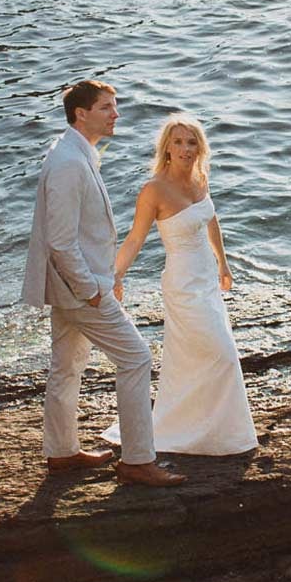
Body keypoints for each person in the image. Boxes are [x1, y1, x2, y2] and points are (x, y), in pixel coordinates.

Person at [22, 79, 184, 488]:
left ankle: (61, 452)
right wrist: (92, 288)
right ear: (81, 113)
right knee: (136, 358)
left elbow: (80, 234)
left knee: (67, 366)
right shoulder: (68, 163)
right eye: (107, 107)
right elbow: (60, 241)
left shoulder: (75, 152)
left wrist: (107, 278)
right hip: (79, 289)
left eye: (115, 106)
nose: (116, 114)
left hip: (78, 285)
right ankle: (137, 460)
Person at [110, 113, 257, 456]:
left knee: (197, 357)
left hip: (207, 278)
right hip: (182, 284)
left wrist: (224, 262)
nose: (185, 149)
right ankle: (198, 433)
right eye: (177, 142)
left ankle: (215, 433)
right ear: (166, 148)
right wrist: (115, 275)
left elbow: (211, 220)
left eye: (191, 142)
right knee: (222, 354)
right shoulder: (154, 190)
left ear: (200, 147)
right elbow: (134, 239)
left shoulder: (200, 178)